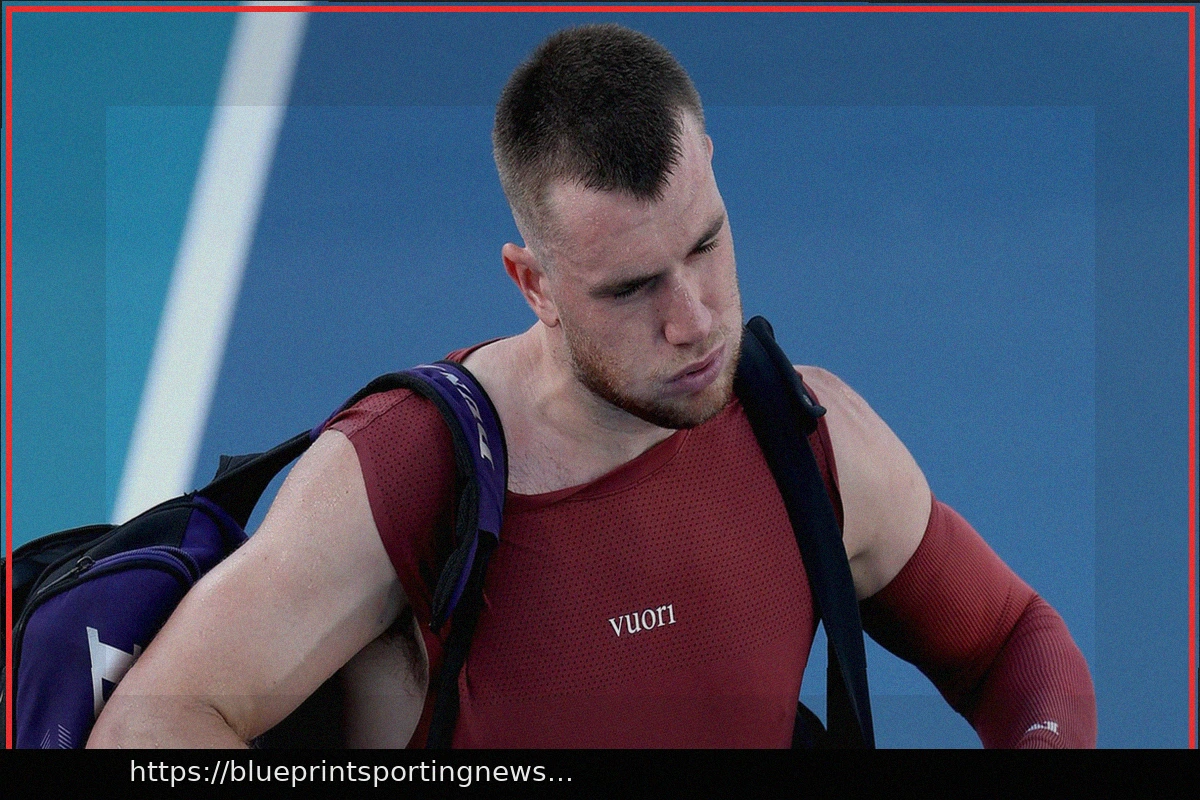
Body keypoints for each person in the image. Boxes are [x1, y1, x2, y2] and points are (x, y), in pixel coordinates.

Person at [87, 23, 1096, 749]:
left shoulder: (810, 443)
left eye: (705, 244)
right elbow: (158, 724)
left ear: (712, 168)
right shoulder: (411, 476)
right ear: (533, 284)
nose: (695, 319)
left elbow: (1013, 644)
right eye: (631, 286)